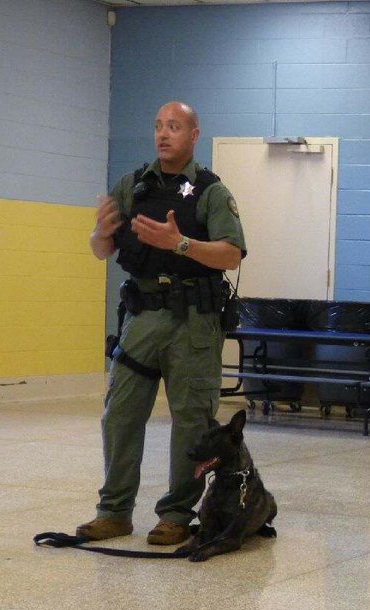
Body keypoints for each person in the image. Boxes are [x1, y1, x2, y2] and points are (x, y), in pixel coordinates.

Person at [76, 101, 246, 545]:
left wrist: (181, 243)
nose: (163, 134)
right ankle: (113, 512)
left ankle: (176, 514)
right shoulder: (132, 185)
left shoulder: (211, 191)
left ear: (194, 135)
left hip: (194, 323)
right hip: (143, 317)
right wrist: (99, 232)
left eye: (174, 126)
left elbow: (231, 253)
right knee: (120, 414)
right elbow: (101, 250)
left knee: (191, 421)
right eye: (157, 126)